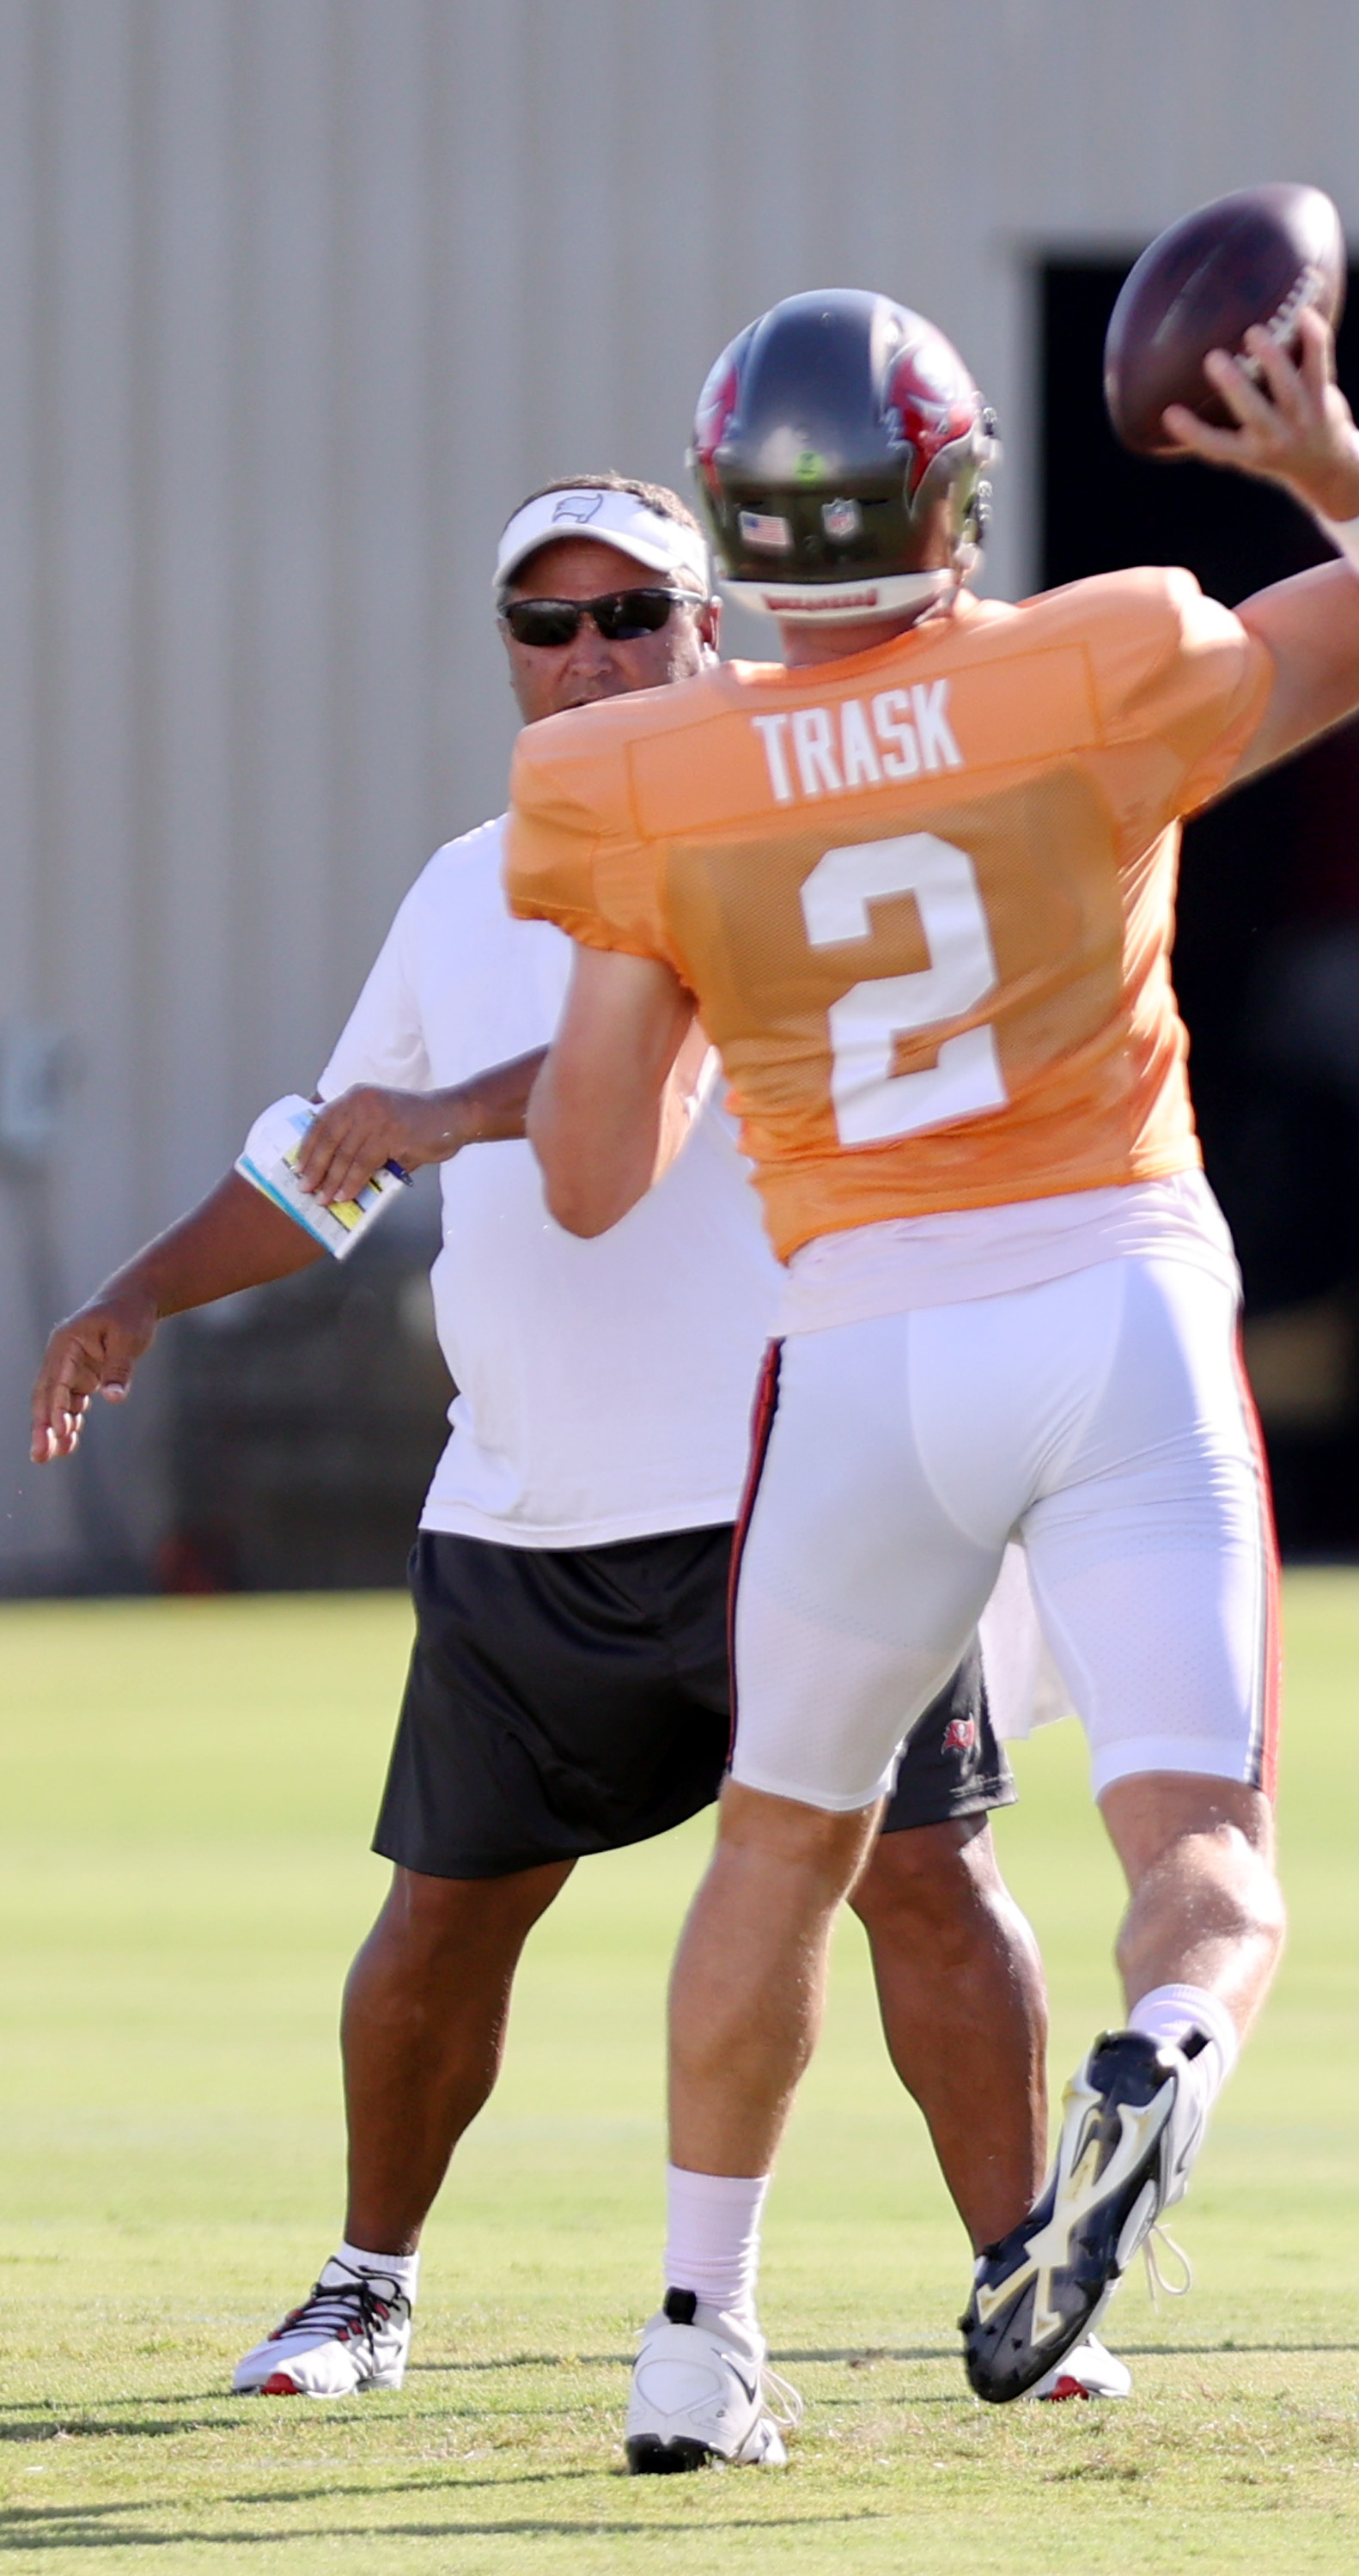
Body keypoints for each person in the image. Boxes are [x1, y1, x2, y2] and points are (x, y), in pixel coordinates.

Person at [506, 288, 1359, 2469]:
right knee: (1206, 1849)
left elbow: (586, 1175)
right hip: (1114, 1296)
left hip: (858, 1344)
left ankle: (694, 2337)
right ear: (952, 495)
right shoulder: (1097, 660)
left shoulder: (620, 769)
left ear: (738, 532)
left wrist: (680, 950)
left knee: (776, 1849)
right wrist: (1315, 453)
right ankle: (1164, 2056)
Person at [22, 477, 1131, 2403]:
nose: (596, 651)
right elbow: (335, 1156)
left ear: (714, 629)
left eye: (637, 612)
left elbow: (667, 1060)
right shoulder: (471, 880)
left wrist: (447, 1113)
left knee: (922, 1883)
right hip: (529, 1512)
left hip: (816, 1485)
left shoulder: (800, 834)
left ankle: (1026, 2301)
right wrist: (132, 1297)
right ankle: (365, 2288)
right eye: (551, 626)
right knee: (444, 1921)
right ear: (510, 660)